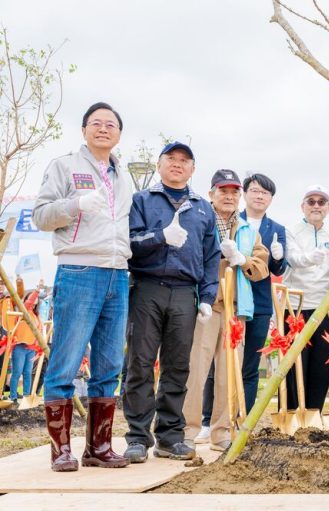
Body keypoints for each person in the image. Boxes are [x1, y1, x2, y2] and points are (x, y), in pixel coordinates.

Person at [33, 101, 132, 471]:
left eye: (111, 123)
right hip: (78, 269)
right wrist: (75, 205)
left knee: (109, 365)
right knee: (65, 362)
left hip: (117, 273)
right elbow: (41, 216)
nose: (103, 128)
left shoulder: (125, 175)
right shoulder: (64, 166)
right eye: (96, 123)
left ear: (119, 134)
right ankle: (61, 450)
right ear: (84, 129)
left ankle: (99, 447)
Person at [123, 141, 220, 463]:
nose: (177, 164)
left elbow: (211, 257)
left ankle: (169, 436)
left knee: (178, 366)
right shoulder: (142, 200)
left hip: (184, 294)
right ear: (160, 164)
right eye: (171, 159)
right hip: (147, 287)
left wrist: (207, 297)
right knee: (139, 363)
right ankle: (137, 437)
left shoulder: (203, 208)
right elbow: (130, 244)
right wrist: (159, 236)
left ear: (193, 169)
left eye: (185, 160)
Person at [181, 170, 269, 452]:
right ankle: (187, 431)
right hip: (206, 306)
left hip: (236, 309)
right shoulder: (199, 220)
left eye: (234, 192)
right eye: (223, 191)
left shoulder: (246, 229)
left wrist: (241, 259)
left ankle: (222, 431)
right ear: (211, 194)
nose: (229, 197)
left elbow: (261, 267)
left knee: (229, 373)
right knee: (196, 369)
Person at [283, 185, 329, 410]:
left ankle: (315, 412)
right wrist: (309, 257)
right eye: (311, 201)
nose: (316, 206)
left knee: (323, 364)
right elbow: (293, 259)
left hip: (324, 307)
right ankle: (291, 411)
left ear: (328, 208)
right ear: (303, 206)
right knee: (295, 363)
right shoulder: (291, 231)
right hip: (296, 306)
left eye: (321, 202)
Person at [240, 172, 287, 412]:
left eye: (265, 193)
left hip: (260, 303)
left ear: (271, 199)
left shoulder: (277, 229)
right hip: (233, 300)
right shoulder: (231, 220)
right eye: (255, 191)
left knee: (250, 364)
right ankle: (210, 419)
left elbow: (278, 268)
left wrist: (279, 258)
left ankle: (244, 416)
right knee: (222, 363)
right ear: (245, 193)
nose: (260, 196)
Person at [8, 290, 42, 403]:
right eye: (33, 297)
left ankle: (26, 397)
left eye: (37, 297)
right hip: (20, 347)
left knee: (27, 373)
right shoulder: (24, 310)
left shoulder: (36, 315)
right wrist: (37, 290)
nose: (35, 299)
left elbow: (39, 332)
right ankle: (13, 397)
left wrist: (37, 348)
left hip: (31, 349)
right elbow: (29, 303)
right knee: (17, 372)